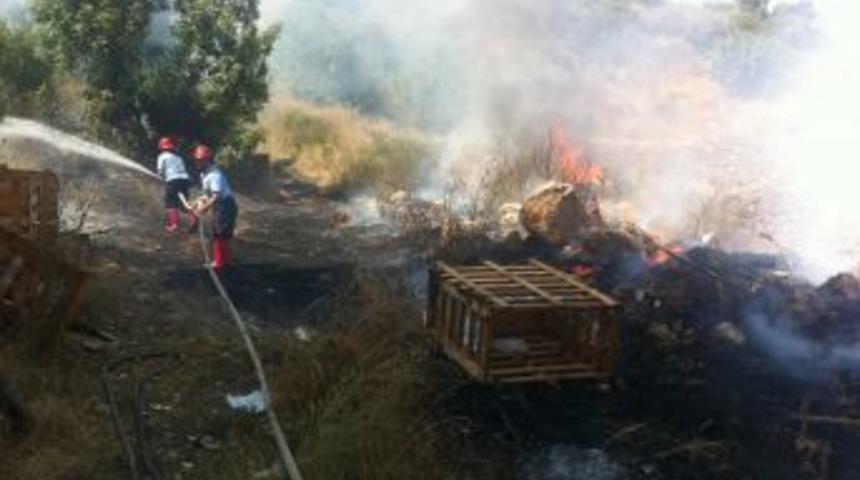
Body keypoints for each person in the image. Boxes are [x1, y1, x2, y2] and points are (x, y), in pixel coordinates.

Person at [190, 143, 238, 270]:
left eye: (201, 160)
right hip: (220, 205)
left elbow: (215, 196)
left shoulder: (214, 175)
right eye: (197, 160)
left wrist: (204, 208)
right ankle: (226, 261)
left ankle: (219, 262)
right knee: (221, 233)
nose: (198, 162)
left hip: (226, 205)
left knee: (220, 234)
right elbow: (206, 195)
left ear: (208, 160)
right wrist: (195, 204)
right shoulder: (204, 175)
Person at [156, 136, 196, 233]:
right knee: (184, 203)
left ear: (162, 147)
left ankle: (174, 225)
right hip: (185, 180)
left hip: (173, 180)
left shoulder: (162, 156)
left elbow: (160, 171)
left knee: (170, 203)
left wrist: (161, 177)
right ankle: (193, 219)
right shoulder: (178, 157)